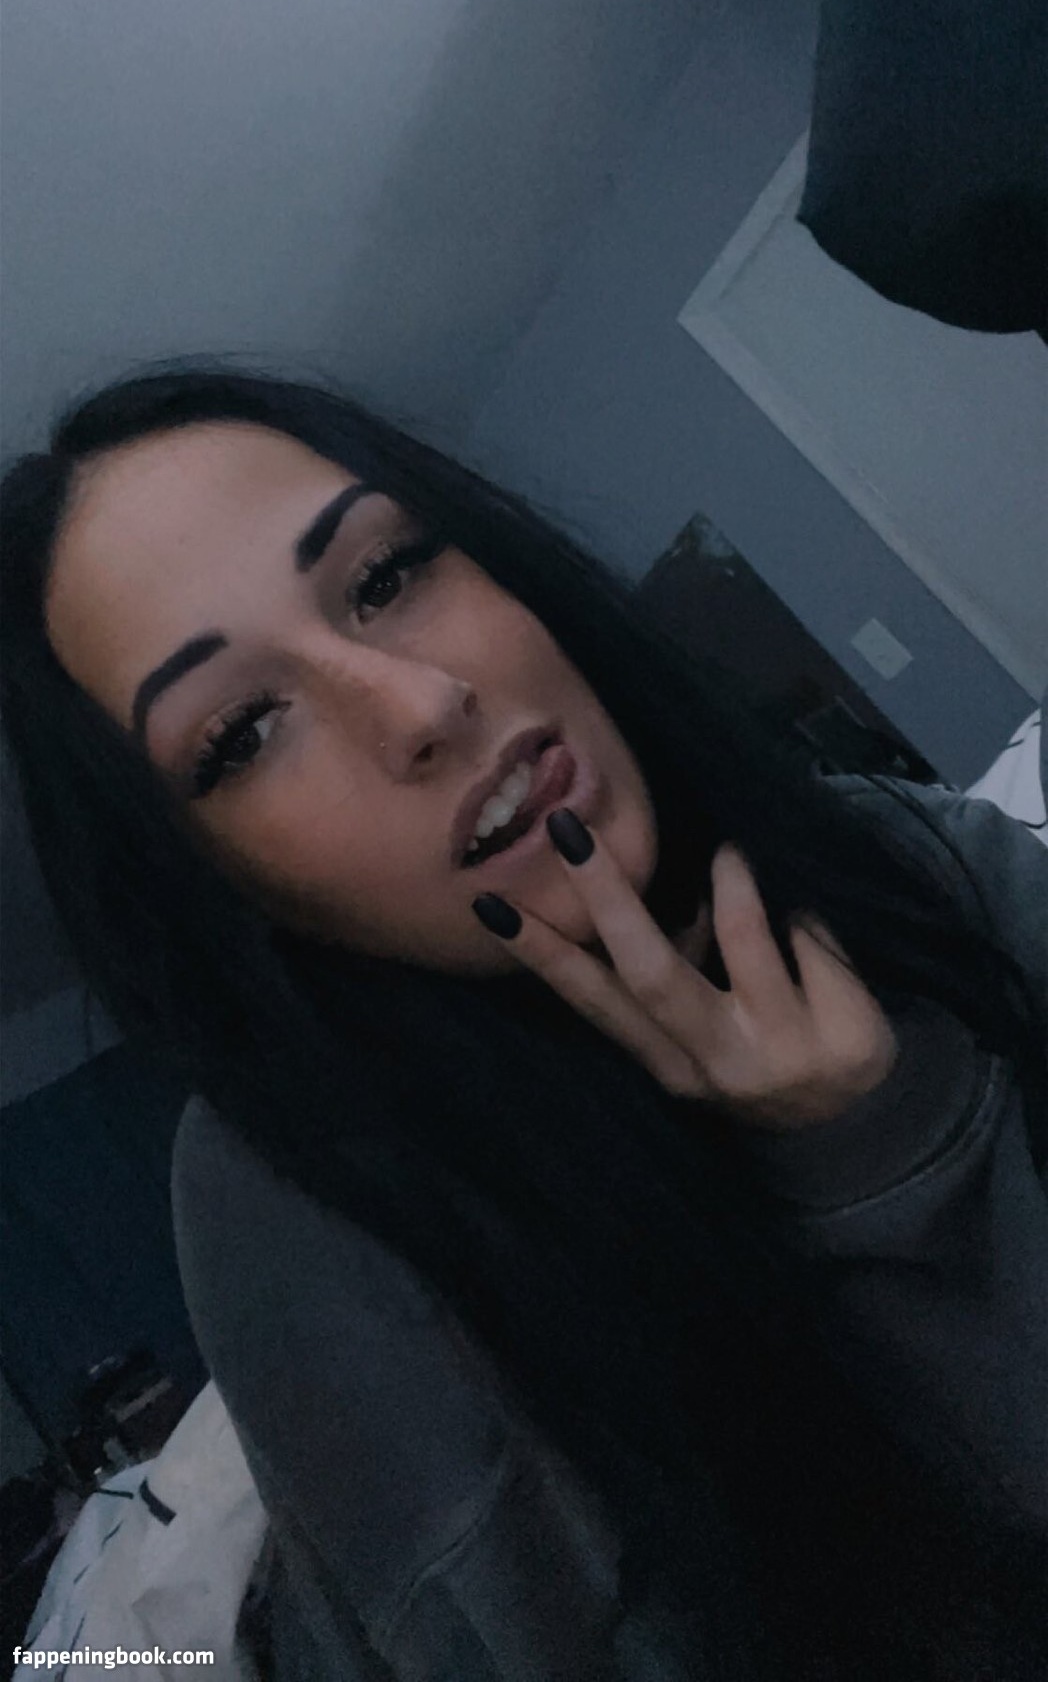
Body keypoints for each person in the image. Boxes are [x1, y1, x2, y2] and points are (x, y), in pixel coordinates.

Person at [2, 367, 1045, 1681]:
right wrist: (881, 1167)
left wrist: (889, 1132)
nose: (422, 705)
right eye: (245, 731)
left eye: (386, 576)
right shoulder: (289, 1209)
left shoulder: (909, 857)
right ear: (214, 883)